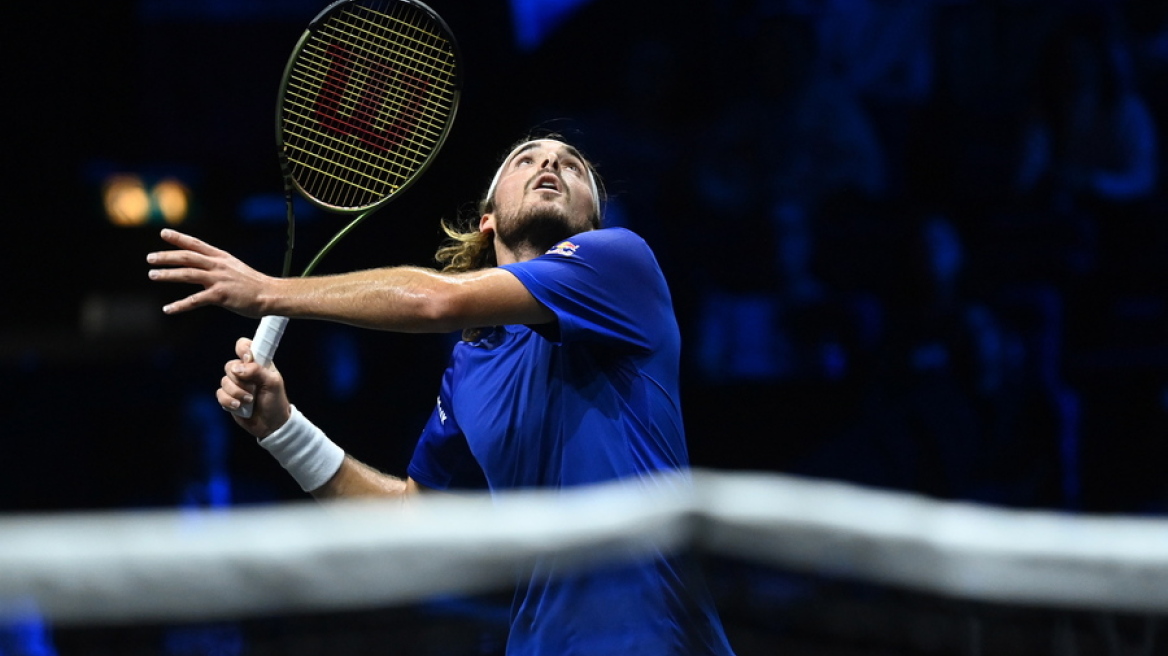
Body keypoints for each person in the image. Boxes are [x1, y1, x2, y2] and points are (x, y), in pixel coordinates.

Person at [147, 136, 736, 655]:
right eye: (526, 159)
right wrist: (283, 429)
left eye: (573, 166)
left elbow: (437, 302)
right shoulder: (471, 365)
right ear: (488, 220)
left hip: (657, 639)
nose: (550, 163)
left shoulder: (621, 265)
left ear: (592, 223)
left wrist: (268, 293)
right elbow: (410, 518)